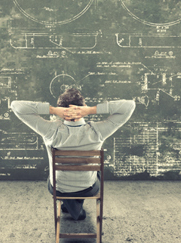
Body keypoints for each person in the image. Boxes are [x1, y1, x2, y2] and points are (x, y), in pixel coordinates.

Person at [10, 88, 136, 221]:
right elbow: (130, 106)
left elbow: (16, 106)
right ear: (82, 109)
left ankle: (71, 206)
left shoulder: (50, 130)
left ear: (61, 110)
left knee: (55, 177)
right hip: (87, 188)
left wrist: (52, 110)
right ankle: (75, 207)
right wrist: (91, 110)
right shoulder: (97, 131)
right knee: (96, 172)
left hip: (58, 188)